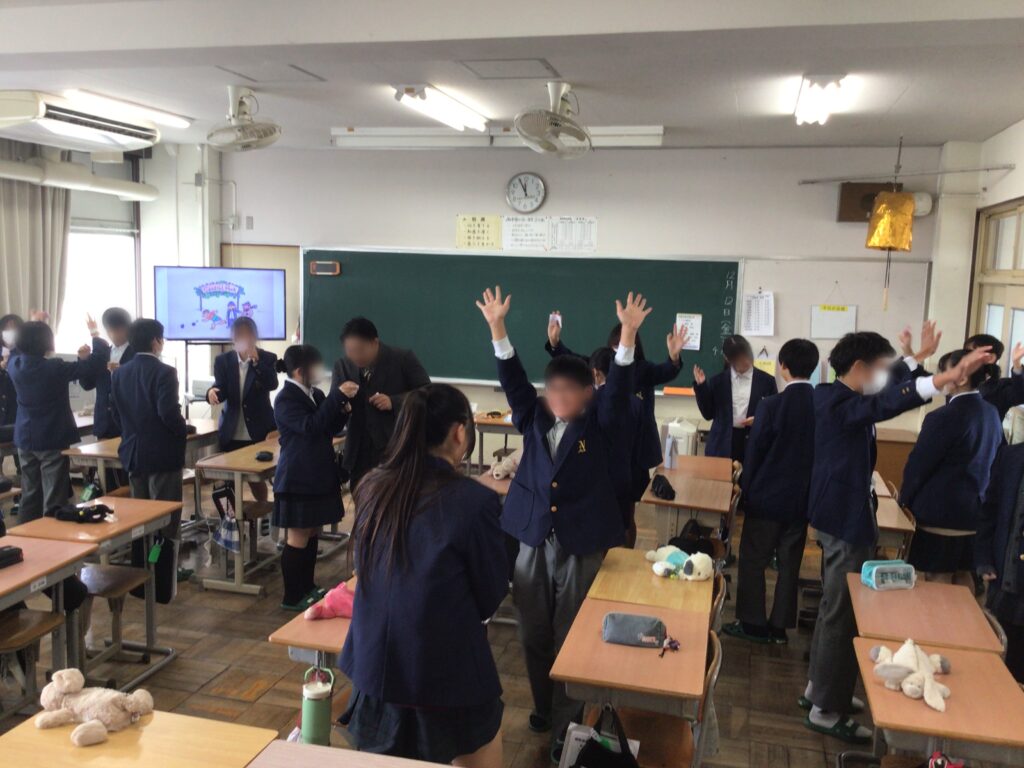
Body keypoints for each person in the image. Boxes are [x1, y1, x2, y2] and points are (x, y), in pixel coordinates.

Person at [477, 286, 644, 761]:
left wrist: (627, 336)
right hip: (533, 538)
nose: (559, 398)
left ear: (589, 392)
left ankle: (567, 728)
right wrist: (497, 327)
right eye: (553, 390)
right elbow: (512, 378)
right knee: (533, 632)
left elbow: (620, 390)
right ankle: (543, 705)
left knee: (572, 633)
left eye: (569, 391)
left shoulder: (603, 421)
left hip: (581, 542)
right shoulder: (533, 416)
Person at [802, 328, 992, 743]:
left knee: (835, 607)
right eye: (882, 369)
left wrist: (914, 359)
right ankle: (826, 709)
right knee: (841, 613)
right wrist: (939, 379)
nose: (885, 377)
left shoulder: (839, 396)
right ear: (859, 368)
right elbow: (886, 402)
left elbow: (885, 392)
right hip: (843, 521)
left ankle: (819, 689)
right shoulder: (838, 403)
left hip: (839, 516)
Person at [340, 384, 507, 768]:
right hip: (446, 671)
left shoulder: (372, 486)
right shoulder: (474, 500)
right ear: (460, 432)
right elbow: (491, 594)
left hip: (376, 668)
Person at [724, 338, 818, 646]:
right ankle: (779, 628)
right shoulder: (820, 405)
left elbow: (755, 454)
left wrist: (746, 488)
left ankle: (753, 624)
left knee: (753, 559)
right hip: (801, 500)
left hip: (766, 498)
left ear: (783, 367)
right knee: (790, 564)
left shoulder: (771, 405)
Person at [546, 312, 687, 489]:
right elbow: (573, 361)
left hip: (638, 446)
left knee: (635, 490)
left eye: (624, 346)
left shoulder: (643, 370)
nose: (620, 352)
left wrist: (673, 358)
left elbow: (665, 371)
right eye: (616, 348)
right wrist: (555, 344)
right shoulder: (600, 364)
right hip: (610, 448)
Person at [901, 350, 1003, 586]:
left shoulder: (944, 416)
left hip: (939, 515)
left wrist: (904, 501)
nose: (939, 377)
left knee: (936, 580)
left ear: (962, 378)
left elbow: (919, 466)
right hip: (974, 514)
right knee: (963, 578)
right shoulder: (991, 412)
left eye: (944, 371)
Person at [110, 319, 189, 594]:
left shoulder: (120, 373)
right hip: (162, 452)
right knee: (166, 515)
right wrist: (183, 430)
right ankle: (167, 573)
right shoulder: (165, 371)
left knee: (141, 517)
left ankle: (143, 570)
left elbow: (116, 413)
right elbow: (168, 412)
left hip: (133, 452)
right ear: (156, 341)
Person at [273, 345, 349, 611]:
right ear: (299, 371)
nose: (320, 371)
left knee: (313, 530)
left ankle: (308, 586)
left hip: (317, 471)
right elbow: (310, 426)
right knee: (298, 536)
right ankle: (292, 596)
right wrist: (336, 397)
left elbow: (329, 426)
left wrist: (343, 408)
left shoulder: (315, 394)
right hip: (298, 475)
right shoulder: (285, 398)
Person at [7, 318, 107, 521]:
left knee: (30, 493)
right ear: (47, 342)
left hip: (25, 438)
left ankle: (27, 533)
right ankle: (53, 533)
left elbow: (16, 348)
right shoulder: (54, 367)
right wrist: (95, 334)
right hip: (51, 437)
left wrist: (33, 323)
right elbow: (94, 365)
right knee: (54, 496)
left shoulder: (14, 364)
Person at [333, 317, 430, 490]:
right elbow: (334, 404)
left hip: (395, 447)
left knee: (394, 498)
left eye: (360, 350)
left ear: (374, 342)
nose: (355, 356)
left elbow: (427, 393)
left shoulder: (402, 359)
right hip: (358, 451)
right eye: (350, 351)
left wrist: (394, 402)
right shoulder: (342, 366)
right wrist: (341, 400)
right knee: (362, 499)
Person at [207, 317, 279, 508]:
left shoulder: (267, 358)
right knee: (228, 478)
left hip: (258, 429)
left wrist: (256, 363)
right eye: (240, 335)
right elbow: (220, 388)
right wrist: (211, 392)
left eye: (248, 334)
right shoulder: (223, 360)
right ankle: (230, 518)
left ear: (255, 336)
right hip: (232, 428)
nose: (244, 338)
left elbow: (272, 383)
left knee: (255, 478)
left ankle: (263, 510)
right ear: (233, 338)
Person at [976, 442, 1024, 682]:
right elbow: (989, 513)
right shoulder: (1011, 456)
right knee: (999, 664)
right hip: (1004, 583)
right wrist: (984, 559)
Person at [693, 334, 777, 460]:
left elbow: (774, 415)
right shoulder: (718, 381)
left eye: (747, 356)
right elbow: (708, 414)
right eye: (740, 359)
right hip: (721, 445)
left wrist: (759, 419)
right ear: (728, 359)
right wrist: (702, 387)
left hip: (754, 444)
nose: (745, 361)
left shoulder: (767, 381)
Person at [79, 307, 135, 441]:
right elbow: (87, 384)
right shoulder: (102, 354)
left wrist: (122, 370)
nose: (114, 333)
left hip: (130, 423)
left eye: (119, 329)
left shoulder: (136, 353)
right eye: (111, 330)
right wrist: (83, 360)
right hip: (104, 422)